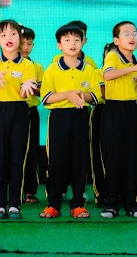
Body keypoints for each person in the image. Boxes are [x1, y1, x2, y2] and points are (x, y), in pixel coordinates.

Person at [39, 23, 98, 219]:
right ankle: (53, 205)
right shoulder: (52, 70)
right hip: (59, 118)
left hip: (81, 116)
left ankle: (78, 204)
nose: (72, 44)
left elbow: (95, 96)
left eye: (76, 40)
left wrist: (82, 95)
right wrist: (66, 95)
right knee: (56, 161)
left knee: (79, 161)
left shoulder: (89, 69)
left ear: (83, 43)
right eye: (67, 40)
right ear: (59, 45)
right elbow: (46, 98)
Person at [0, 20, 38, 219]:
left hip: (20, 110)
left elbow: (25, 93)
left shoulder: (27, 65)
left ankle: (14, 204)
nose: (9, 39)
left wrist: (26, 88)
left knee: (17, 157)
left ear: (20, 38)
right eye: (4, 35)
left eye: (13, 34)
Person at [100, 21, 137, 218]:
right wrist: (135, 68)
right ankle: (111, 203)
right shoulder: (113, 56)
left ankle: (132, 203)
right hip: (113, 109)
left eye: (135, 33)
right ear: (116, 40)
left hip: (132, 109)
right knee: (113, 156)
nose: (132, 37)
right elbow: (108, 75)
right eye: (126, 34)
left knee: (133, 157)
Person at [20, 27, 44, 204]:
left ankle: (30, 190)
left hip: (30, 111)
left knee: (31, 150)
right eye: (23, 43)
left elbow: (43, 91)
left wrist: (31, 89)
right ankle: (11, 189)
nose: (26, 47)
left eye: (30, 44)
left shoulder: (37, 67)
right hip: (12, 110)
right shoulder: (8, 65)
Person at [91, 41, 114, 207]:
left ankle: (121, 194)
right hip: (101, 111)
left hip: (122, 110)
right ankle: (101, 194)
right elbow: (104, 93)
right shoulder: (98, 73)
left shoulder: (131, 70)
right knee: (99, 154)